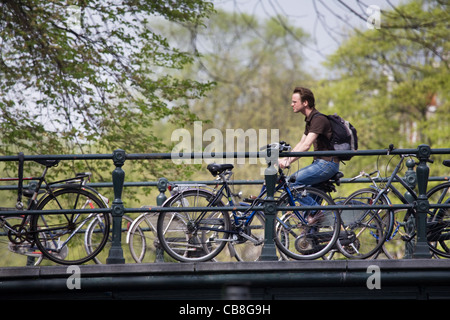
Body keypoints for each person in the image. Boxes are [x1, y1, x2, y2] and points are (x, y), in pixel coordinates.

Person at [278, 86, 339, 189]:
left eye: (294, 102)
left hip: (326, 164)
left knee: (291, 183)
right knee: (309, 198)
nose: (291, 104)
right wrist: (285, 159)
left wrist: (288, 161)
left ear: (305, 103)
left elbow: (306, 146)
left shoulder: (318, 119)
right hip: (321, 163)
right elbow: (301, 143)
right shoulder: (310, 120)